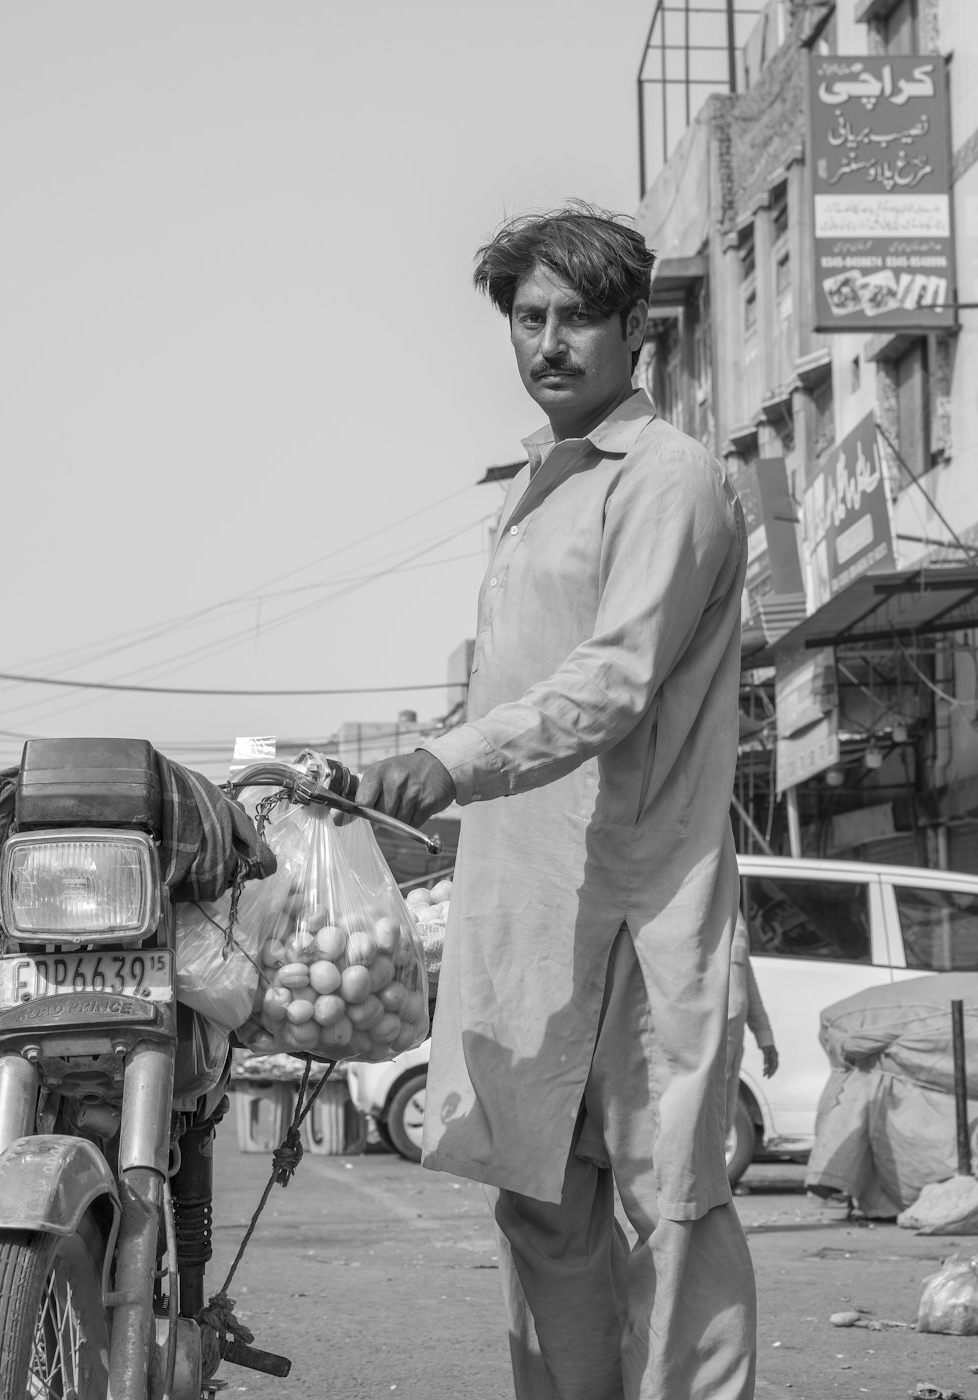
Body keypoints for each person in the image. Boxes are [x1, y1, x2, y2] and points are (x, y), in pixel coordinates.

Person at [354, 202, 755, 1399]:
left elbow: (612, 680)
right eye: (527, 318)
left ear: (634, 326)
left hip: (640, 903)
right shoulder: (536, 485)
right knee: (541, 1205)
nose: (548, 342)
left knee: (670, 1204)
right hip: (527, 911)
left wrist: (451, 758)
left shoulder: (668, 479)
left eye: (576, 316)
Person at [726, 912, 778, 1168]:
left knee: (720, 1121)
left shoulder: (735, 915)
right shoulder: (689, 902)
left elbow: (746, 980)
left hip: (730, 1041)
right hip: (696, 1043)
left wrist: (764, 1036)